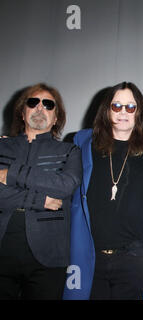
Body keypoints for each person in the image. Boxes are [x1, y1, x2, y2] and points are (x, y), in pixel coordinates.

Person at [63, 82, 143, 300]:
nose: (123, 112)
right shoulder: (82, 144)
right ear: (106, 110)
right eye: (116, 106)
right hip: (88, 255)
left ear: (139, 113)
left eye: (130, 107)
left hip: (132, 257)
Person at [0, 83, 82, 299]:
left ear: (56, 118)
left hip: (49, 256)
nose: (40, 108)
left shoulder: (69, 151)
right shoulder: (1, 147)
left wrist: (11, 174)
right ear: (22, 111)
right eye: (33, 102)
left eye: (48, 105)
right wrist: (39, 200)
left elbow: (65, 186)